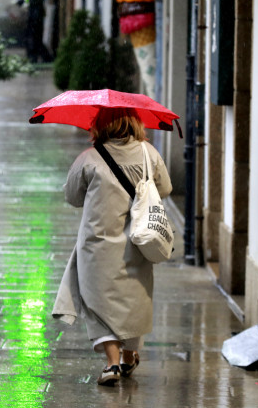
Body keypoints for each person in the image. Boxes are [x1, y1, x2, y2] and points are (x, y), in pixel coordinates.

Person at [52, 107, 172, 386]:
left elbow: (72, 197)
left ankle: (112, 363)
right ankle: (129, 356)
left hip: (97, 244)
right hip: (138, 242)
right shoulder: (149, 154)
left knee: (98, 304)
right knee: (133, 300)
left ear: (101, 126)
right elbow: (165, 189)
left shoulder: (89, 158)